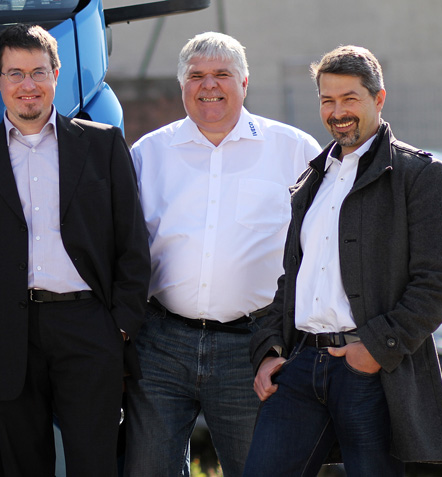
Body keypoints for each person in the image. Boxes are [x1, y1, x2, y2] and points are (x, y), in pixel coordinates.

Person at [0, 23, 150, 477]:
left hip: (90, 330)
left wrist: (119, 330)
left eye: (38, 72)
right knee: (24, 466)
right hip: (7, 339)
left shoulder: (103, 145)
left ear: (57, 74)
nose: (28, 86)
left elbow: (133, 245)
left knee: (95, 464)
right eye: (15, 74)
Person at [243, 45, 442, 476]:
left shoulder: (419, 175)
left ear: (379, 98)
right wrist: (269, 351)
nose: (338, 112)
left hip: (370, 370)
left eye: (349, 99)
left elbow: (436, 283)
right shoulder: (311, 178)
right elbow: (291, 278)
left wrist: (374, 349)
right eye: (327, 100)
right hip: (299, 368)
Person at [124, 32, 321, 477]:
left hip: (253, 348)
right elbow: (123, 246)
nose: (208, 85)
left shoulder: (295, 150)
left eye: (221, 74)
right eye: (196, 75)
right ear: (182, 85)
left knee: (260, 469)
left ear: (245, 83)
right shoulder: (148, 153)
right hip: (160, 346)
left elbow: (322, 250)